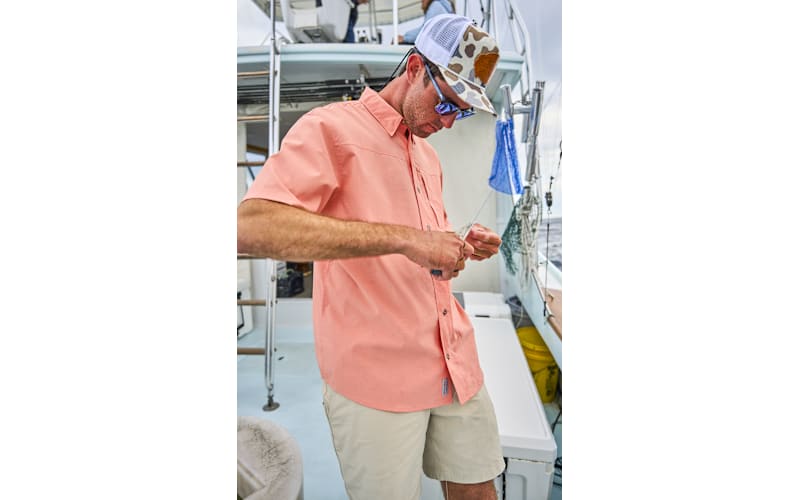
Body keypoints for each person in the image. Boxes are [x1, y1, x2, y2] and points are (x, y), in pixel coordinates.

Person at [238, 14, 505, 500]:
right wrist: (407, 240)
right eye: (447, 102)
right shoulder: (329, 127)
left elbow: (424, 247)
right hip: (378, 378)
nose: (448, 121)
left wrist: (459, 245)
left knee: (480, 490)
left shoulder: (428, 156)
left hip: (455, 361)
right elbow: (252, 227)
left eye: (462, 113)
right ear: (415, 68)